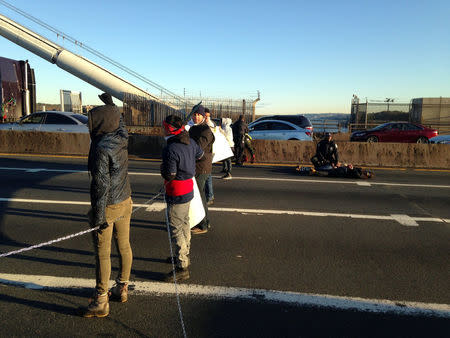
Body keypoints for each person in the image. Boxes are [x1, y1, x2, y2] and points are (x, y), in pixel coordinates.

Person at [83, 93, 133, 318]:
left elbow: (100, 186)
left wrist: (98, 215)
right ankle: (122, 288)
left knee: (103, 253)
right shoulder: (121, 137)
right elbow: (120, 122)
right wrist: (113, 107)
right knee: (124, 245)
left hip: (109, 205)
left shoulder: (101, 148)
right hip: (126, 200)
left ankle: (101, 299)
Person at [161, 115, 204, 282]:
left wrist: (162, 169)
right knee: (185, 223)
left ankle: (182, 265)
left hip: (176, 190)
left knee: (176, 228)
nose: (163, 129)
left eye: (164, 127)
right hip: (189, 189)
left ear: (170, 129)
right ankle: (184, 255)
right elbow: (201, 156)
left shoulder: (170, 148)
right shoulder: (190, 141)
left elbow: (170, 174)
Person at [188, 105, 215, 234]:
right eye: (194, 114)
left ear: (203, 116)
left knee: (199, 196)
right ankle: (204, 222)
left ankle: (203, 224)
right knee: (201, 195)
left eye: (198, 115)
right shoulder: (194, 128)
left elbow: (197, 148)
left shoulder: (205, 131)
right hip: (196, 166)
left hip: (201, 167)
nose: (195, 117)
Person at [204, 108, 215, 205]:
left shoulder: (210, 125)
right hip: (205, 153)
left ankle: (210, 195)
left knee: (207, 175)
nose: (207, 118)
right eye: (205, 116)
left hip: (207, 153)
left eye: (208, 116)